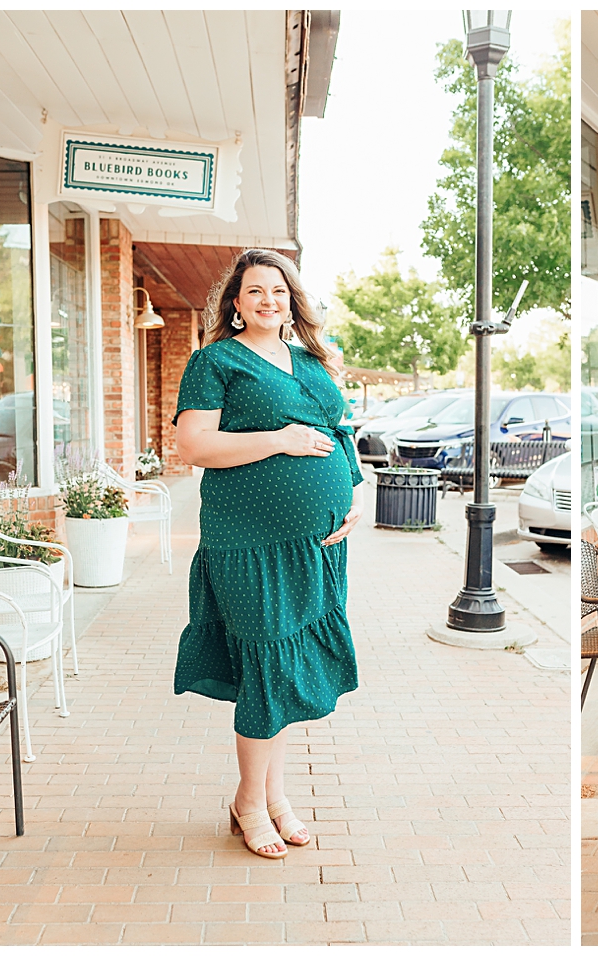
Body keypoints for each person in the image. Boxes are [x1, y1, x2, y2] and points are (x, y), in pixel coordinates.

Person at [172, 249, 364, 860]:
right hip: (249, 542)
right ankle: (252, 805)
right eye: (254, 291)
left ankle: (268, 799)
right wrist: (278, 440)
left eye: (278, 291)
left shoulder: (311, 359)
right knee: (265, 667)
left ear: (292, 300)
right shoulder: (214, 362)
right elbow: (194, 446)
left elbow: (338, 432)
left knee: (282, 672)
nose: (267, 301)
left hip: (318, 544)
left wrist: (354, 494)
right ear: (235, 302)